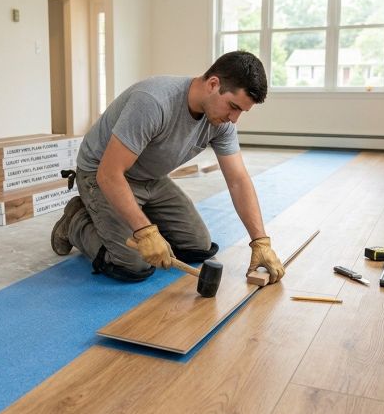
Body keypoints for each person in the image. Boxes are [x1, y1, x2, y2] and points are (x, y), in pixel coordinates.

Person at [50, 50, 284, 284]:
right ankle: (75, 221)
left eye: (241, 111)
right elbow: (109, 174)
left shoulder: (221, 122)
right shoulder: (153, 101)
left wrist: (260, 241)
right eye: (233, 107)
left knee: (198, 248)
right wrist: (144, 232)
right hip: (101, 174)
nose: (234, 119)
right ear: (214, 84)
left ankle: (133, 215)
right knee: (134, 264)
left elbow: (238, 180)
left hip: (150, 177)